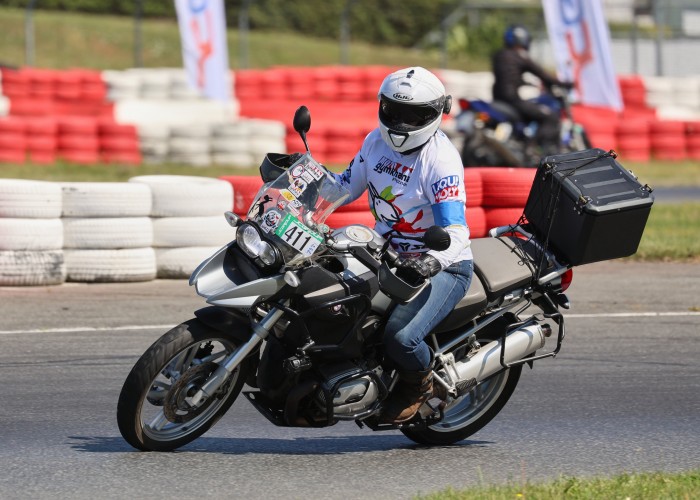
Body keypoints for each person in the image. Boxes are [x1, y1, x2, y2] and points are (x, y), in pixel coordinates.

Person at [332, 67, 473, 424]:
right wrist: (299, 183)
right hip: (385, 251)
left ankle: (420, 384)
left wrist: (430, 262)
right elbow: (344, 187)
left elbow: (455, 232)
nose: (401, 123)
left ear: (437, 113)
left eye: (414, 115)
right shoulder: (374, 143)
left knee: (401, 337)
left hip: (442, 265)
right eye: (394, 111)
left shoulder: (441, 162)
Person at [491, 24, 572, 155]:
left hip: (498, 98)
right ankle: (531, 147)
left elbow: (508, 76)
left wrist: (525, 82)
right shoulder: (519, 56)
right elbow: (541, 73)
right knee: (550, 117)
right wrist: (564, 84)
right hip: (512, 100)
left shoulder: (499, 55)